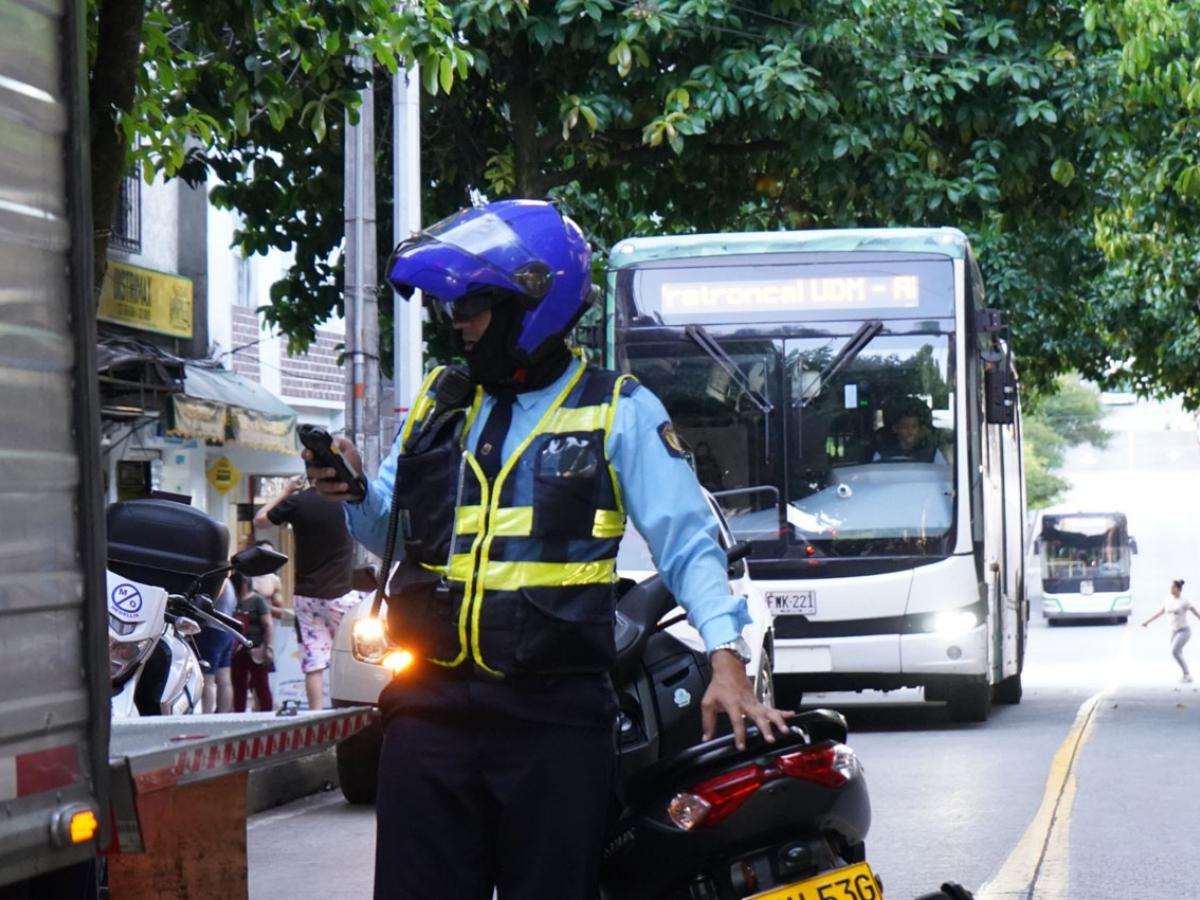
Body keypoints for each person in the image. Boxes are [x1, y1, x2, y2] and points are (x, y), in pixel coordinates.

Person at [304, 200, 788, 900]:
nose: (457, 323)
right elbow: (393, 533)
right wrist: (351, 493)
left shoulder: (618, 409)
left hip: (553, 721)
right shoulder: (440, 404)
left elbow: (687, 546)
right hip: (429, 709)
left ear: (534, 303)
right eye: (452, 308)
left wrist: (728, 661)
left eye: (473, 305)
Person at [254, 473, 356, 710]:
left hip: (306, 596)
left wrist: (287, 490)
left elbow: (260, 520)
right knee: (353, 654)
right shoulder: (347, 500)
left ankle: (316, 717)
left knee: (314, 663)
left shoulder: (298, 502)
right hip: (342, 593)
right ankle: (351, 711)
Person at [229, 571, 275, 711]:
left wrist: (268, 647)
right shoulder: (233, 601)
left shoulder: (257, 601)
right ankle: (239, 714)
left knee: (261, 684)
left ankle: (267, 713)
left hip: (256, 648)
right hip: (238, 650)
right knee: (239, 686)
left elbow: (268, 624)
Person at [1142, 578, 1200, 682]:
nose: (1170, 589)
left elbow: (1195, 612)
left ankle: (1187, 675)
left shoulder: (1184, 601)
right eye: (1170, 587)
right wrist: (1147, 621)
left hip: (1184, 631)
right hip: (1174, 631)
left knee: (1174, 651)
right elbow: (1159, 612)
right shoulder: (1168, 599)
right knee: (1178, 652)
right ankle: (1185, 674)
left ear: (1178, 589)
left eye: (1173, 587)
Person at [195, 576, 237, 713]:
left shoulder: (218, 582)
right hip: (227, 631)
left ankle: (206, 714)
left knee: (208, 679)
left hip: (212, 630)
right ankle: (222, 713)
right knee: (224, 677)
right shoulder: (230, 584)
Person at [872, 396, 948, 463]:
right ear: (895, 428)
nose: (909, 431)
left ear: (920, 430)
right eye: (904, 426)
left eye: (914, 427)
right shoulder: (883, 452)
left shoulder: (932, 453)